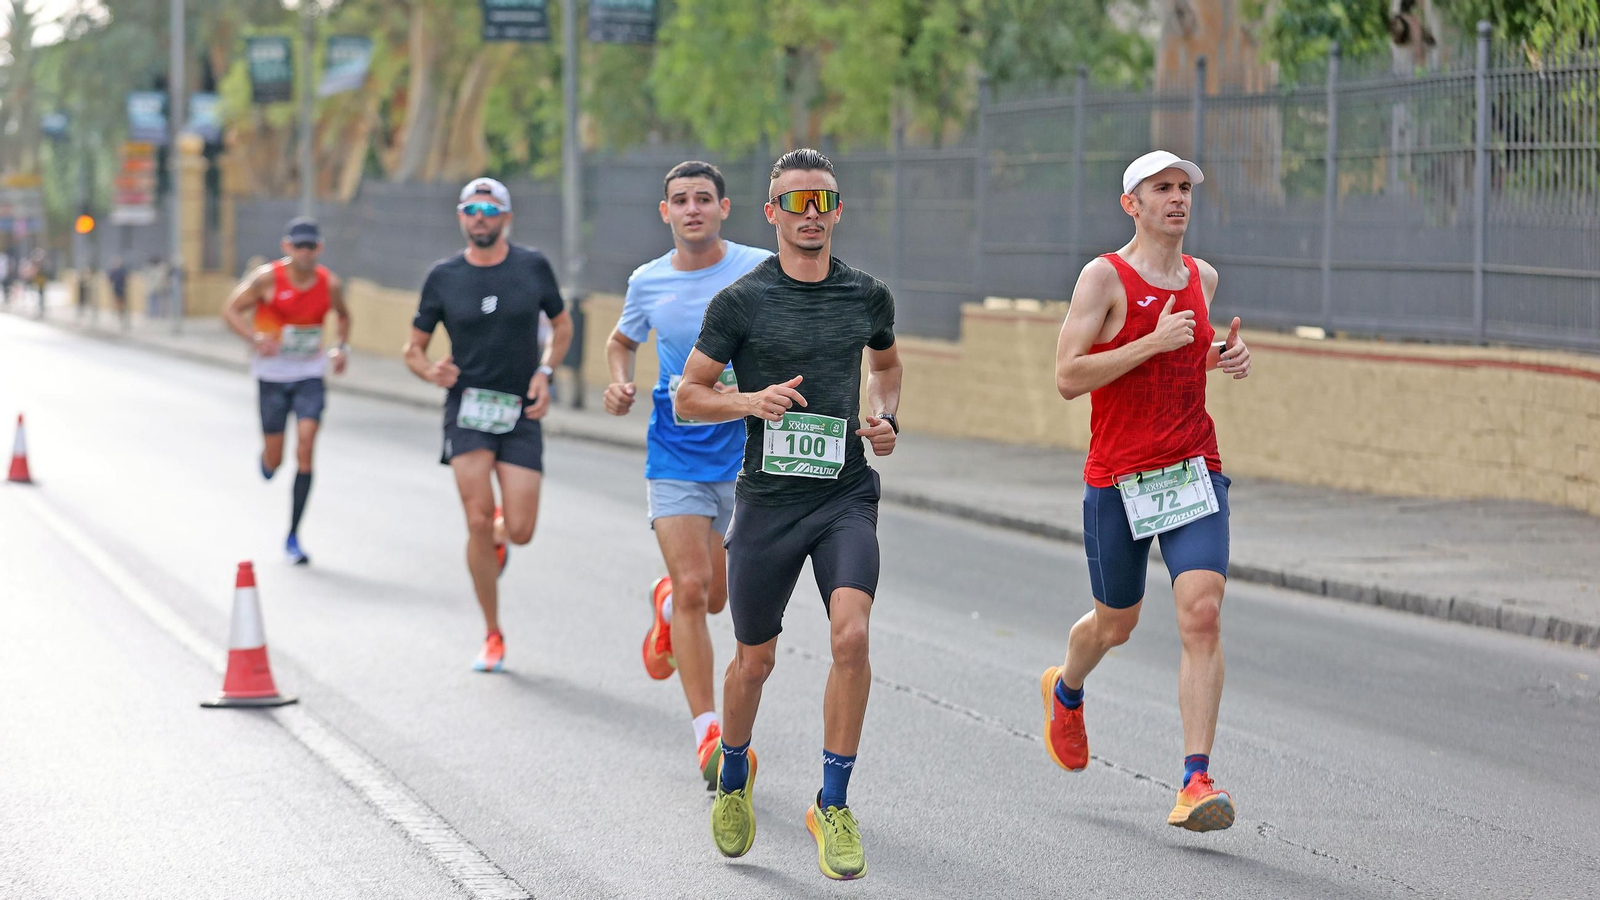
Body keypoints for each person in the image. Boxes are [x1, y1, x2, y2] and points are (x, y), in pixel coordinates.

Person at [676, 149, 901, 881]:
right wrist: (750, 400)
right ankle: (735, 775)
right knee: (754, 660)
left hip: (843, 494)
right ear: (772, 214)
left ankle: (832, 804)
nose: (811, 216)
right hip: (768, 503)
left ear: (838, 212)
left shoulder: (867, 295)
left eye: (823, 203)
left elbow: (888, 365)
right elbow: (688, 396)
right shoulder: (741, 302)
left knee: (852, 636)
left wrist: (884, 415)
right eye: (796, 204)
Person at [1041, 150, 1252, 832]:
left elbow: (1187, 358)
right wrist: (1153, 342)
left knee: (1202, 613)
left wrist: (1219, 357)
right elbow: (1069, 376)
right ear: (1131, 203)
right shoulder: (1104, 277)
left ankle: (1196, 779)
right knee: (1117, 625)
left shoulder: (1203, 277)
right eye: (1162, 188)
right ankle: (1066, 690)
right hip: (1119, 477)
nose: (1178, 198)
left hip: (1193, 467)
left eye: (1185, 187)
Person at [602, 160, 771, 789]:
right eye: (681, 199)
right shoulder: (647, 282)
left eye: (705, 198)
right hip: (674, 452)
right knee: (698, 587)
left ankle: (666, 604)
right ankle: (707, 731)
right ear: (665, 213)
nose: (693, 208)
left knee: (719, 597)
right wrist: (621, 379)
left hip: (745, 453)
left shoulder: (758, 265)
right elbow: (622, 340)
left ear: (725, 208)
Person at [404, 177, 572, 673]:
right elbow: (412, 348)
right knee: (476, 517)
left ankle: (498, 541)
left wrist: (545, 373)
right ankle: (492, 633)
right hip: (468, 410)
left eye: (489, 208)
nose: (480, 216)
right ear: (461, 217)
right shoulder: (443, 276)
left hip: (520, 410)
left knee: (518, 530)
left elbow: (561, 327)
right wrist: (430, 369)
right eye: (471, 208)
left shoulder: (532, 267)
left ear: (506, 217)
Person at [221, 217, 352, 565]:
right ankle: (267, 459)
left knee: (307, 445)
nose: (305, 252)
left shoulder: (329, 284)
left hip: (310, 374)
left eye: (311, 246)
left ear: (319, 248)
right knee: (276, 459)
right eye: (299, 246)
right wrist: (254, 337)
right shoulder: (267, 279)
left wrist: (341, 348)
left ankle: (294, 534)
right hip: (273, 375)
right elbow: (230, 310)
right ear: (287, 247)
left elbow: (343, 316)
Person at [107, 257, 130, 329]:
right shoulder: (114, 271)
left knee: (122, 303)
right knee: (118, 303)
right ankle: (119, 315)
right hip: (117, 289)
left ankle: (122, 315)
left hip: (122, 290)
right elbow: (110, 279)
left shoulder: (122, 271)